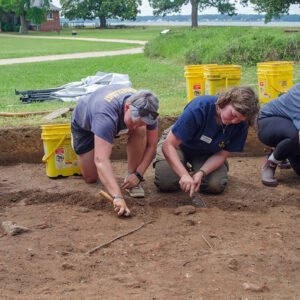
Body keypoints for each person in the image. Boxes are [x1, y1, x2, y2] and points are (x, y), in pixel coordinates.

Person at [71, 84, 159, 217]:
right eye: (134, 121)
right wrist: (117, 196)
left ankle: (131, 177)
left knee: (141, 131)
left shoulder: (148, 110)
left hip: (114, 121)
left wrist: (138, 174)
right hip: (85, 127)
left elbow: (152, 146)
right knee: (91, 177)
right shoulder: (105, 114)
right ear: (127, 107)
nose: (134, 126)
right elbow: (101, 160)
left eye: (141, 122)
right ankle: (90, 143)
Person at [154, 86, 259, 197]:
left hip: (208, 150)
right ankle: (182, 166)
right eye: (233, 115)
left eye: (239, 120)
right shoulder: (199, 107)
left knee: (215, 185)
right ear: (226, 101)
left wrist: (201, 173)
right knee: (166, 182)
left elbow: (222, 154)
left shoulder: (242, 124)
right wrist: (184, 175)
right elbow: (168, 145)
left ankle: (199, 169)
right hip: (179, 144)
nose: (234, 121)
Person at [258, 83, 300, 187]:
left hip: (291, 126)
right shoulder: (298, 93)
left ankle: (285, 153)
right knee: (293, 137)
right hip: (266, 122)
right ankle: (271, 163)